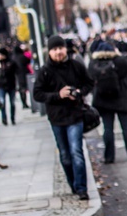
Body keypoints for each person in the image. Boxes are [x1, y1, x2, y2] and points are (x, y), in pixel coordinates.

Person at [34, 36, 95, 200]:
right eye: (54, 50)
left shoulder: (76, 66)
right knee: (65, 156)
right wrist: (58, 95)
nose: (58, 52)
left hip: (75, 115)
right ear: (49, 52)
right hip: (56, 118)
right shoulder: (45, 71)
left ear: (65, 49)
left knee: (76, 152)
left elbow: (89, 83)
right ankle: (73, 183)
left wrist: (80, 92)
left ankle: (82, 188)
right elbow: (37, 94)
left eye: (60, 48)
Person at [88, 42, 127, 164]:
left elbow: (90, 79)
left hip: (103, 100)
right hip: (122, 98)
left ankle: (109, 156)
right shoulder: (120, 61)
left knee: (107, 129)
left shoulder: (93, 63)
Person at [0, 48, 18, 125]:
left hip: (11, 85)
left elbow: (16, 72)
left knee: (12, 103)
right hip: (1, 86)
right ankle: (4, 118)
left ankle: (12, 118)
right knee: (2, 102)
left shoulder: (11, 62)